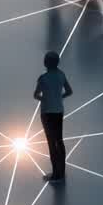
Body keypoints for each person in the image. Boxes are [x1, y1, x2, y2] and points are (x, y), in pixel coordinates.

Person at [34, 51, 73, 183]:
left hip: (47, 112)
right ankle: (62, 171)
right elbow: (69, 91)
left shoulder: (43, 78)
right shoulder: (61, 75)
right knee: (59, 140)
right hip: (58, 111)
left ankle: (56, 174)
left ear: (46, 63)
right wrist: (58, 97)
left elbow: (36, 95)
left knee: (51, 143)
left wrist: (45, 99)